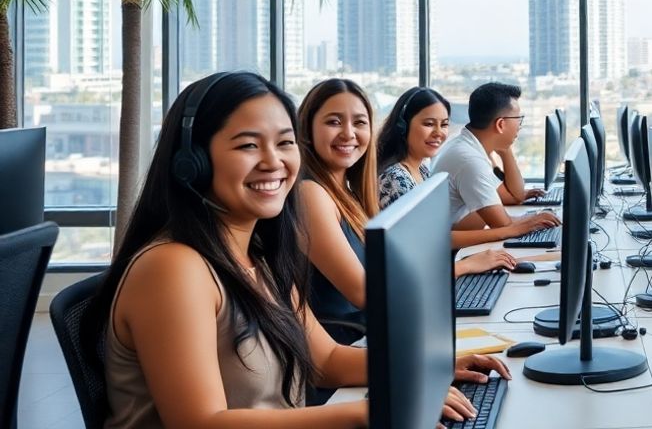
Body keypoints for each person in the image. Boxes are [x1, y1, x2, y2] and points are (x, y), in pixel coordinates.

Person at [84, 71, 496, 427]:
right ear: (192, 162)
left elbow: (326, 360)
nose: (273, 162)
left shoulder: (258, 253)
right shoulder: (173, 267)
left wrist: (424, 369)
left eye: (284, 143)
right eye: (248, 146)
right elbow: (201, 423)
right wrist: (370, 412)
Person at [376, 86, 517, 275]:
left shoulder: (421, 170)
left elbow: (438, 235)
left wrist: (507, 221)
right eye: (428, 124)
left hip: (436, 272)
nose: (439, 132)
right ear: (403, 125)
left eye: (443, 124)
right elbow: (418, 253)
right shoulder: (395, 179)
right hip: (416, 284)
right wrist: (505, 232)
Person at [295, 79, 379, 344]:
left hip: (364, 336)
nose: (348, 133)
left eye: (359, 122)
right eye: (333, 122)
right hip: (342, 347)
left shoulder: (349, 193)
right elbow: (363, 292)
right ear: (307, 131)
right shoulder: (310, 194)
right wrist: (459, 270)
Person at [435, 82, 560, 248]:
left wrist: (504, 149)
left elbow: (514, 197)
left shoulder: (467, 145)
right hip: (446, 256)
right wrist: (533, 220)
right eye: (519, 119)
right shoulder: (470, 160)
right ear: (500, 124)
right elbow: (503, 226)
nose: (519, 126)